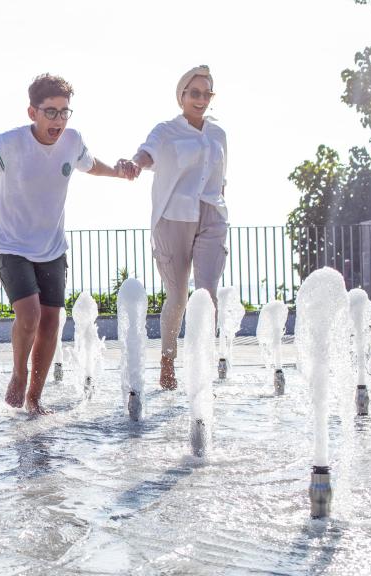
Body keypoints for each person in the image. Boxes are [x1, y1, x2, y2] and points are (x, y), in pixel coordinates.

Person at [0, 73, 138, 414]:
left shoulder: (73, 141)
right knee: (29, 315)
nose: (58, 120)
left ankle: (34, 397)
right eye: (51, 112)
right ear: (32, 112)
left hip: (52, 247)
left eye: (64, 112)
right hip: (11, 244)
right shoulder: (10, 143)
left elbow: (91, 166)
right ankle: (19, 375)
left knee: (51, 321)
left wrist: (119, 172)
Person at [130, 65, 229, 390]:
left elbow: (220, 175)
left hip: (212, 215)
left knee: (207, 294)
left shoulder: (219, 134)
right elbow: (147, 151)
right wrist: (135, 163)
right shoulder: (166, 130)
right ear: (182, 95)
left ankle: (201, 365)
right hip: (173, 217)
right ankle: (167, 360)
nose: (201, 99)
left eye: (206, 93)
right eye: (195, 93)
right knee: (178, 296)